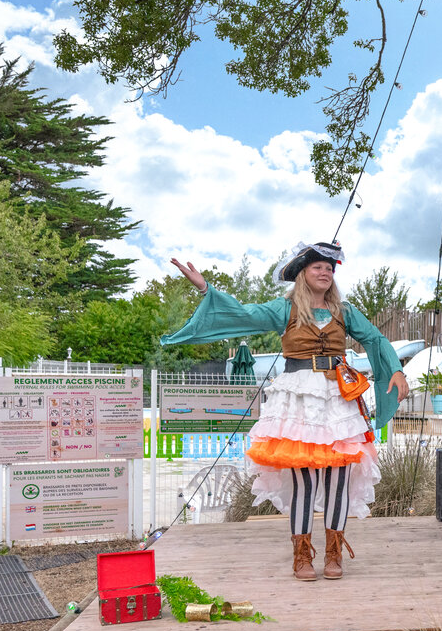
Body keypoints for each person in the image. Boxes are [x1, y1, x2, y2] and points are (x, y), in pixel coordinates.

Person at [161, 241, 410, 581]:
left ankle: (334, 553)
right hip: (298, 403)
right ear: (303, 274)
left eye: (329, 268)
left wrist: (395, 369)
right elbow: (243, 314)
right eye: (317, 267)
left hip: (338, 399)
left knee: (339, 479)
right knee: (305, 481)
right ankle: (301, 555)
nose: (324, 272)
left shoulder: (345, 311)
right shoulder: (285, 308)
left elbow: (377, 340)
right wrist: (206, 288)